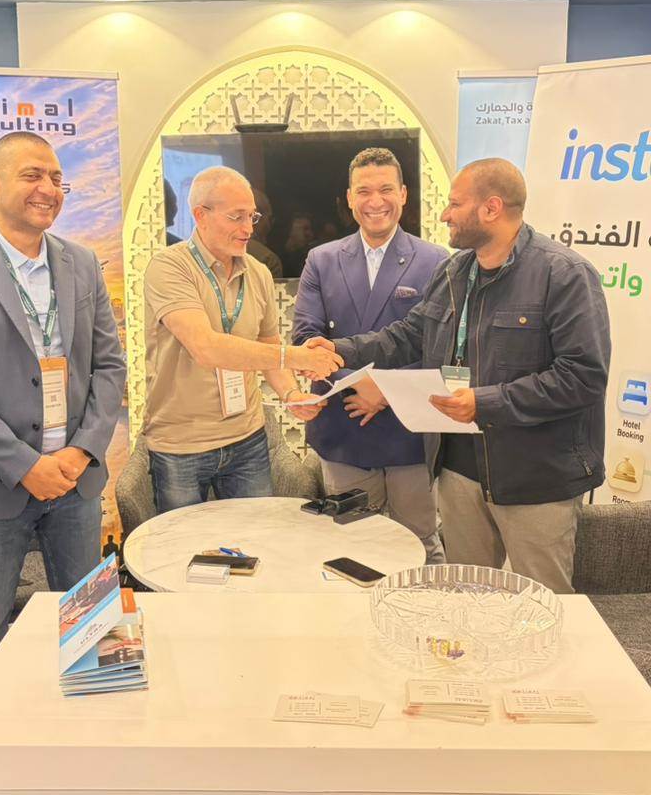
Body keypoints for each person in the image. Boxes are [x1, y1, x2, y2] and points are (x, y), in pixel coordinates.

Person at [304, 158, 610, 594]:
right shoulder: (454, 272)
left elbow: (582, 377)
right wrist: (340, 349)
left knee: (540, 604)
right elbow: (409, 335)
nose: (445, 214)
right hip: (459, 473)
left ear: (491, 208)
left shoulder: (563, 274)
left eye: (454, 204)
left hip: (535, 477)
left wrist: (483, 403)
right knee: (466, 599)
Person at [0, 133, 126, 699]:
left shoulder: (81, 262)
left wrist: (81, 451)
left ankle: (94, 724)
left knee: (89, 619)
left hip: (75, 481)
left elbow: (109, 367)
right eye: (32, 175)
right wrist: (25, 466)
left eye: (57, 178)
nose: (48, 188)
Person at [143, 166, 339, 513]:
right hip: (181, 445)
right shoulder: (169, 268)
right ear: (200, 215)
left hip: (247, 439)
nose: (249, 228)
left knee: (255, 535)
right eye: (236, 217)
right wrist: (296, 356)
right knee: (184, 543)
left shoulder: (258, 272)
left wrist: (291, 394)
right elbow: (207, 348)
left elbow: (268, 344)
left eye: (252, 216)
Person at [293, 147, 447, 562]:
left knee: (420, 544)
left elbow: (438, 344)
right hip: (343, 426)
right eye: (363, 191)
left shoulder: (437, 261)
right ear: (349, 198)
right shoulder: (321, 260)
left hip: (409, 431)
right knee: (350, 550)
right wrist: (359, 385)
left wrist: (386, 392)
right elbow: (307, 338)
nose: (375, 201)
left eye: (385, 189)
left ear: (403, 194)